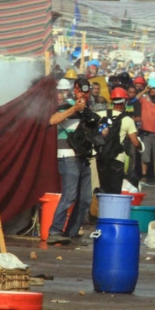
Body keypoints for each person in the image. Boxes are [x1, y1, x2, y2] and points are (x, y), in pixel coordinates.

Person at [47, 78, 96, 244]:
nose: (84, 94)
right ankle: (54, 231)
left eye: (87, 91)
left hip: (83, 157)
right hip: (68, 156)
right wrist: (74, 108)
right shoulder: (67, 104)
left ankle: (71, 232)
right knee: (69, 196)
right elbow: (52, 120)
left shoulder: (87, 109)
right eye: (81, 91)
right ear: (74, 91)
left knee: (85, 199)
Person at [96, 87, 142, 195]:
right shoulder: (127, 120)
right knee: (115, 191)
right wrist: (141, 146)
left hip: (101, 157)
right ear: (125, 102)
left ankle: (103, 210)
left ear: (112, 101)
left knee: (103, 188)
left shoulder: (99, 115)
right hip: (117, 159)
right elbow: (135, 143)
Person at [138, 85, 155, 184]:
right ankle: (144, 175)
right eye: (152, 92)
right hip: (146, 132)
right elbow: (134, 100)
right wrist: (144, 91)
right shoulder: (144, 100)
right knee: (145, 155)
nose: (154, 94)